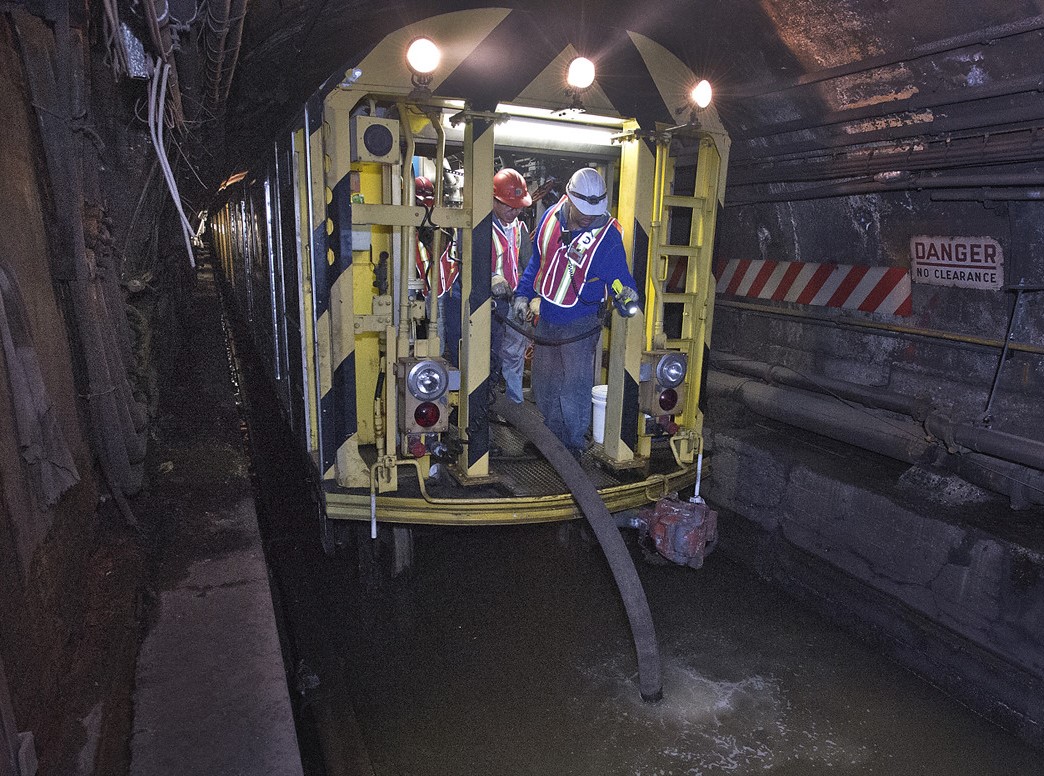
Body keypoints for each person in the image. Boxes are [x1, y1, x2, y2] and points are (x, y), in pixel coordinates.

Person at [513, 167, 639, 458]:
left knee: (573, 386)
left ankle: (571, 445)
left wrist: (626, 296)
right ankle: (549, 439)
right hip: (547, 317)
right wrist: (523, 294)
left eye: (593, 213)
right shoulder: (550, 219)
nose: (588, 218)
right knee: (544, 383)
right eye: (583, 212)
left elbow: (619, 278)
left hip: (579, 323)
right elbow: (538, 262)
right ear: (568, 198)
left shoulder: (607, 237)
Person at [490, 168, 532, 403]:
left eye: (517, 207)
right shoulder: (479, 226)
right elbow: (466, 263)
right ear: (494, 200)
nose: (514, 211)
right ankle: (489, 405)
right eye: (508, 205)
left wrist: (527, 296)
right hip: (490, 306)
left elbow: (528, 265)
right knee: (490, 356)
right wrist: (490, 279)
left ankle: (514, 405)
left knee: (515, 356)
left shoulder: (519, 228)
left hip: (514, 301)